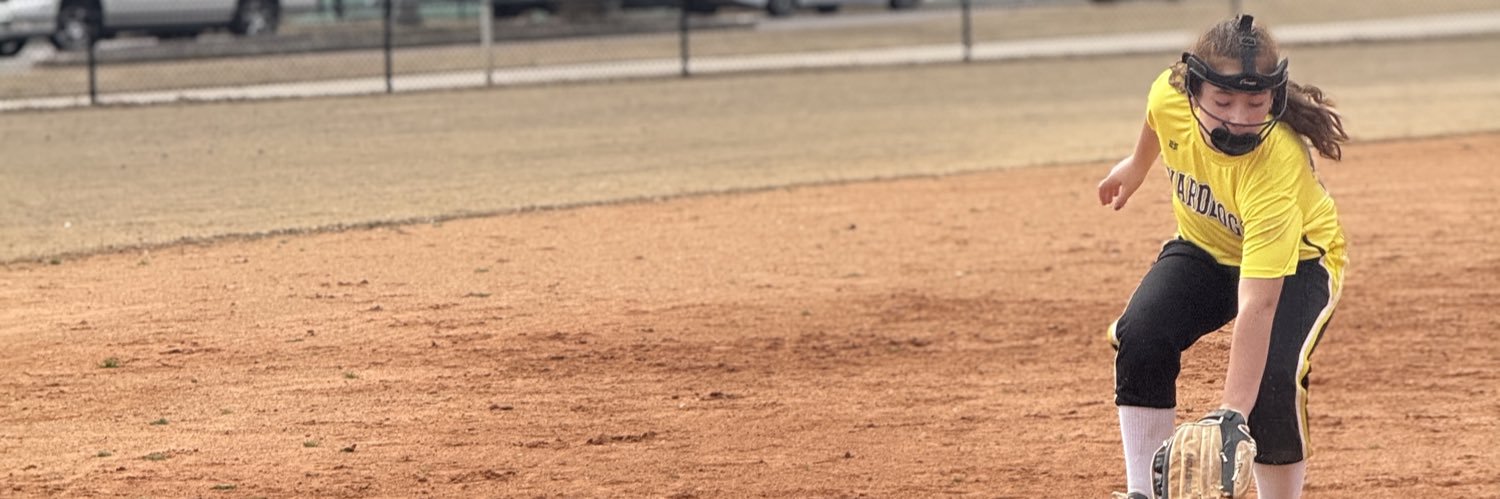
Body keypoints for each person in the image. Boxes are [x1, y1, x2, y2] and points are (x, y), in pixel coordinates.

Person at [1095, 14, 1349, 499]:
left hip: (1300, 262)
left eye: (1256, 102)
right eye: (1223, 101)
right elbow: (1157, 119)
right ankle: (1142, 492)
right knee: (1143, 335)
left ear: (1275, 97)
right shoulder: (1169, 95)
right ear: (1193, 92)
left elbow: (1258, 304)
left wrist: (1231, 412)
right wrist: (1136, 166)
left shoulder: (1276, 164)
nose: (1239, 117)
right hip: (1205, 247)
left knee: (1272, 380)